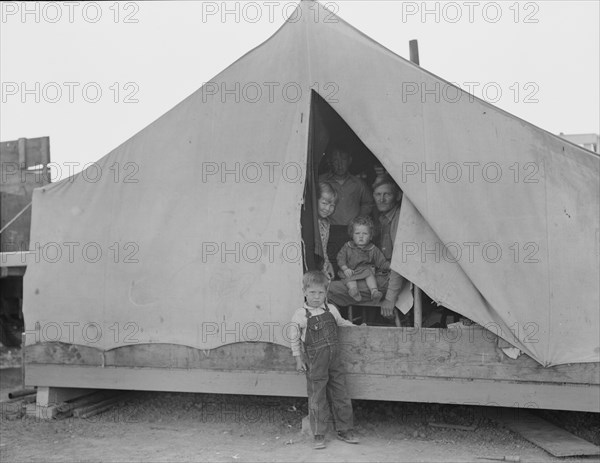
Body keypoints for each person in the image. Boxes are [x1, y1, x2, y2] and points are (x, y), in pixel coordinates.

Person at [290, 271, 360, 449]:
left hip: (334, 361)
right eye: (312, 292)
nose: (316, 297)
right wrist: (298, 359)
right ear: (304, 291)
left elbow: (343, 323)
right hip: (315, 364)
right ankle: (318, 433)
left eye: (320, 293)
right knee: (317, 396)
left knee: (341, 393)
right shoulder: (300, 315)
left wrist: (358, 328)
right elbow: (294, 338)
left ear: (326, 293)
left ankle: (345, 429)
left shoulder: (332, 310)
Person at [327, 175, 413, 321]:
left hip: (388, 279)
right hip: (376, 275)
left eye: (387, 194)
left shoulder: (399, 220)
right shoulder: (382, 218)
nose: (382, 199)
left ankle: (339, 329)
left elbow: (400, 262)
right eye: (378, 194)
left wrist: (390, 298)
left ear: (397, 196)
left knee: (326, 290)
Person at [319, 146, 374, 275]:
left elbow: (368, 203)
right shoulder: (321, 181)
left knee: (350, 267)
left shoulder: (358, 183)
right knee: (329, 266)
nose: (339, 164)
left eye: (343, 159)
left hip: (351, 232)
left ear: (349, 160)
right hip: (329, 231)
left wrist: (358, 220)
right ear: (330, 161)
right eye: (335, 160)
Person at [337, 216, 390, 303]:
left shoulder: (373, 249)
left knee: (369, 273)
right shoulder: (347, 246)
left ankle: (374, 291)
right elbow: (340, 258)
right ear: (352, 234)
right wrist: (345, 268)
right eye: (357, 233)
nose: (361, 237)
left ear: (371, 236)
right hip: (350, 270)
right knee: (349, 278)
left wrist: (391, 266)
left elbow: (381, 262)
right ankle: (354, 291)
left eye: (365, 234)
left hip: (364, 271)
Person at [315, 182, 337, 280]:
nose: (328, 208)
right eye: (324, 203)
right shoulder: (311, 223)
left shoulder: (326, 222)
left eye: (332, 205)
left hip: (323, 267)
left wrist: (328, 264)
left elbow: (323, 247)